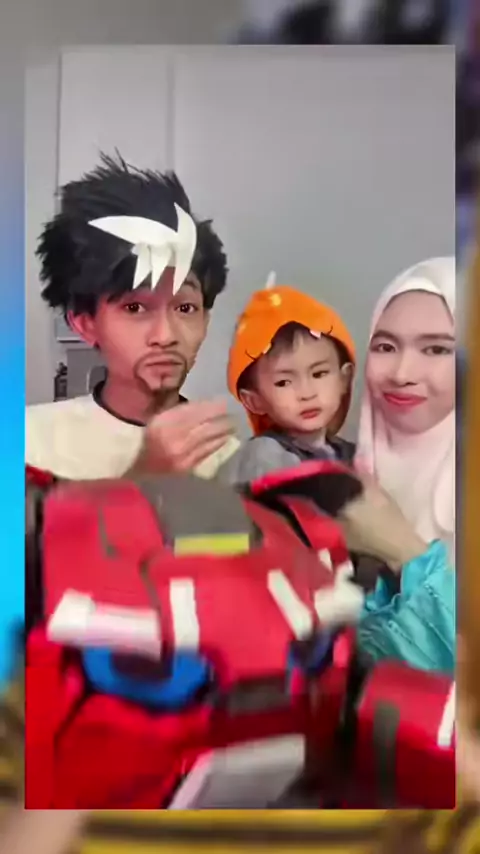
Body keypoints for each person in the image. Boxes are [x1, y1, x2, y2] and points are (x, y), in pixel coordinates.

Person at [26, 154, 239, 481]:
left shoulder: (233, 460)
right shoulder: (30, 442)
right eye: (135, 308)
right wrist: (145, 473)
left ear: (205, 320)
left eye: (185, 308)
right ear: (85, 323)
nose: (166, 336)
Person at [343, 257, 456, 673]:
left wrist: (402, 550)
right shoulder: (339, 472)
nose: (403, 373)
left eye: (437, 349)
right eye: (386, 347)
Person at [220, 282, 356, 484]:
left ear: (344, 378)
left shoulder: (354, 456)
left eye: (319, 374)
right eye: (284, 382)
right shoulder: (264, 457)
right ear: (254, 400)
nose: (307, 393)